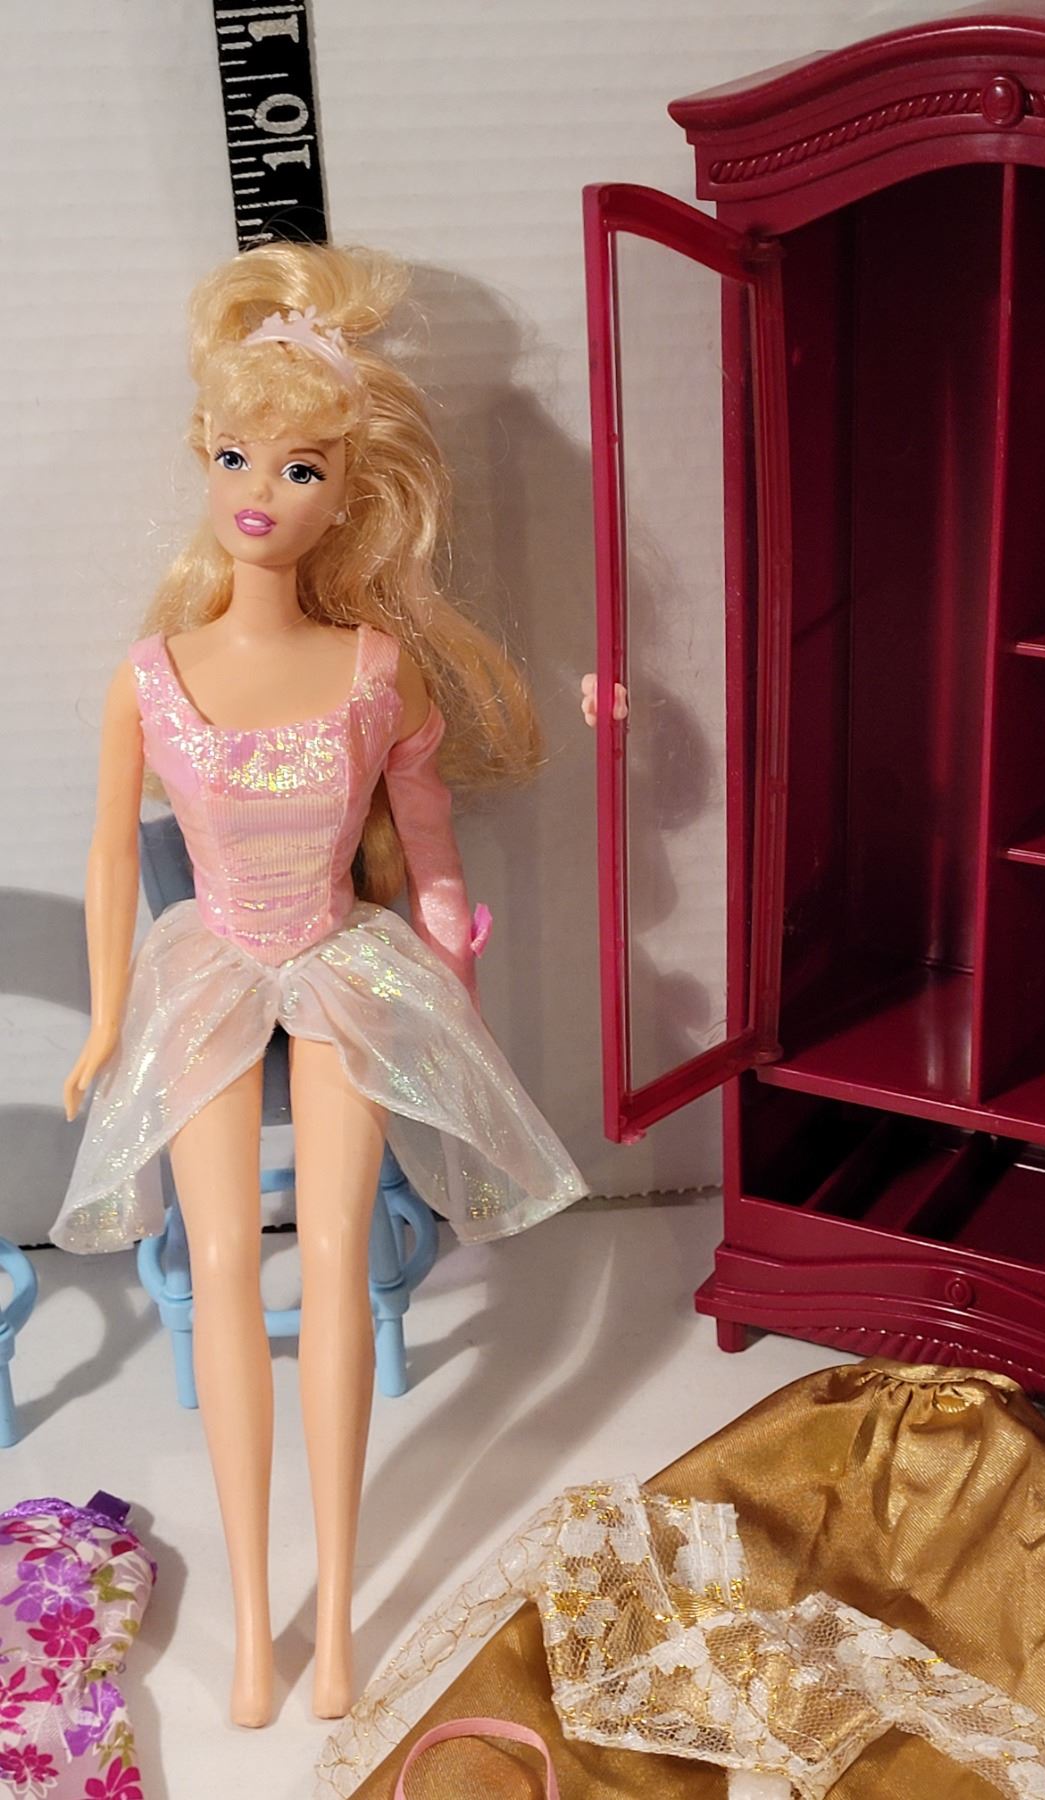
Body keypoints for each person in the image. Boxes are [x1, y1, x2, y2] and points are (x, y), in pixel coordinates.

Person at [54, 242, 587, 1727]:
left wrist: (450, 981)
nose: (261, 492)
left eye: (299, 469)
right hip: (207, 960)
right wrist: (105, 1019)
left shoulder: (377, 669)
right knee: (225, 1262)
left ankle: (336, 1618)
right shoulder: (151, 675)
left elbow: (432, 851)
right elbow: (108, 858)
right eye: (238, 457)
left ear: (346, 493)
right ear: (203, 457)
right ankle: (250, 1625)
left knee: (340, 1252)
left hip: (346, 963)